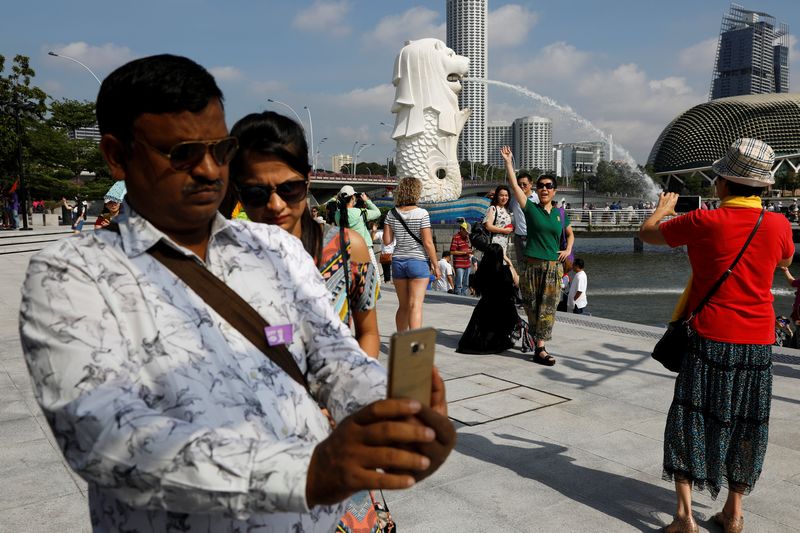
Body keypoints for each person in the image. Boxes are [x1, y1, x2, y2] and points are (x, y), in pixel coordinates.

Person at [19, 54, 455, 533]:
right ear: (117, 156)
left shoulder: (274, 249)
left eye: (220, 150)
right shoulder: (72, 275)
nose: (209, 170)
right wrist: (308, 473)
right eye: (183, 153)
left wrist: (389, 406)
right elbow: (105, 439)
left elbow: (333, 357)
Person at [639, 138, 794, 533]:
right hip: (758, 341)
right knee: (747, 423)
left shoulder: (704, 221)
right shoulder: (778, 224)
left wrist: (663, 209)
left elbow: (648, 233)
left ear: (724, 183)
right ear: (763, 187)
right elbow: (785, 258)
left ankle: (685, 518)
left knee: (689, 419)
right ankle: (733, 513)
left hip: (709, 337)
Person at [226, 111, 381, 357]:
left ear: (307, 180)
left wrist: (366, 378)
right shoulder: (224, 257)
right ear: (237, 192)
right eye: (256, 193)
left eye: (289, 188)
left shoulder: (348, 248)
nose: (275, 205)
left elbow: (368, 332)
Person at [501, 146, 574, 366]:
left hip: (552, 268)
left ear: (554, 191)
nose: (544, 189)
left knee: (547, 310)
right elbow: (515, 186)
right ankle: (532, 337)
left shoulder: (560, 214)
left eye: (548, 186)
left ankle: (540, 348)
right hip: (531, 267)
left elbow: (570, 234)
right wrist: (508, 163)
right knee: (531, 308)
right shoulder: (531, 208)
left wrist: (568, 250)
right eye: (541, 186)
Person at [383, 177, 440, 331]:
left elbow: (387, 241)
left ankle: (401, 340)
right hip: (418, 261)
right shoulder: (422, 213)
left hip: (398, 261)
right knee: (415, 306)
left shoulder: (391, 213)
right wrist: (435, 265)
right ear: (416, 192)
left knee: (403, 306)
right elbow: (428, 243)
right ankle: (413, 344)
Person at [456, 243, 520, 354]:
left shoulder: (481, 271)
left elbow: (476, 288)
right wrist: (509, 262)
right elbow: (518, 283)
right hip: (504, 307)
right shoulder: (507, 270)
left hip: (485, 306)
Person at [334, 185, 381, 274]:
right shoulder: (360, 212)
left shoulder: (337, 215)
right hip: (365, 248)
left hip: (348, 250)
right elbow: (377, 213)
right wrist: (367, 200)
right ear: (352, 198)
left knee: (354, 276)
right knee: (372, 276)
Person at [507, 172, 539, 269]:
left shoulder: (537, 199)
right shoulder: (514, 200)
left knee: (534, 266)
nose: (521, 186)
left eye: (524, 184)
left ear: (531, 184)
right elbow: (504, 209)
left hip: (533, 238)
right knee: (521, 266)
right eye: (519, 184)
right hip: (519, 238)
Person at [483, 184, 513, 252]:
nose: (504, 198)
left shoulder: (506, 210)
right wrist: (504, 230)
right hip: (494, 245)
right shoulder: (493, 209)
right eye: (501, 195)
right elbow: (488, 226)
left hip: (504, 243)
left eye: (506, 195)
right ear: (497, 196)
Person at [449, 221, 472, 295]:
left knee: (466, 284)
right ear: (462, 229)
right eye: (466, 232)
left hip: (467, 264)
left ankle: (464, 297)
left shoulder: (467, 238)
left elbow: (466, 249)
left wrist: (470, 251)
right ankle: (457, 297)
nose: (467, 233)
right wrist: (465, 252)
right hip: (459, 265)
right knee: (459, 283)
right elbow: (452, 252)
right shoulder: (456, 237)